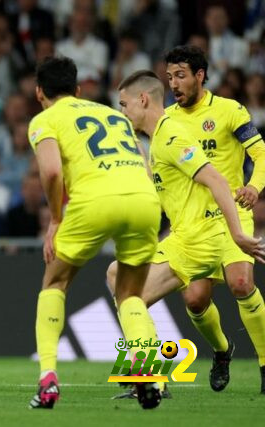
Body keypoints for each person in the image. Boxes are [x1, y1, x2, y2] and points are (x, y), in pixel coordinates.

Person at [109, 70, 265, 401]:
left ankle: (148, 377)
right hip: (184, 237)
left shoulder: (171, 137)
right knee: (117, 278)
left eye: (123, 104)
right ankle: (148, 374)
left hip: (201, 239)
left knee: (130, 294)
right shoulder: (157, 140)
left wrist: (236, 233)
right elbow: (166, 189)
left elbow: (217, 181)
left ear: (143, 99)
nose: (122, 112)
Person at [28, 57, 162, 410]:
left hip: (94, 201)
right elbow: (146, 167)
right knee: (131, 294)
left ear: (39, 91)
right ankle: (146, 369)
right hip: (144, 200)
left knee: (54, 283)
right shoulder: (115, 115)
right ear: (77, 90)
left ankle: (47, 378)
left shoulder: (45, 120)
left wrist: (55, 220)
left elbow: (53, 172)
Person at [163, 46, 265, 394]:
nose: (174, 84)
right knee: (195, 300)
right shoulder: (166, 121)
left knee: (240, 283)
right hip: (192, 225)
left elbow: (260, 151)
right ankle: (223, 351)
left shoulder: (229, 110)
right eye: (170, 77)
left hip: (231, 217)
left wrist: (254, 185)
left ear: (199, 76)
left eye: (180, 75)